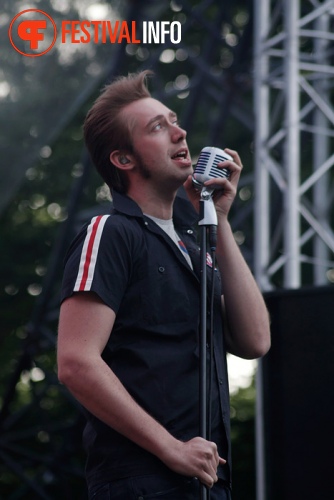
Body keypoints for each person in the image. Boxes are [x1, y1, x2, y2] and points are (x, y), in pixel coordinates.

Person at [57, 70, 271, 500]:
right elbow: (76, 362)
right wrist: (170, 448)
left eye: (174, 120)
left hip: (206, 479)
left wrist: (220, 220)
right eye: (158, 127)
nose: (180, 132)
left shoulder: (194, 247)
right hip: (143, 481)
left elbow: (255, 340)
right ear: (124, 159)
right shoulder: (111, 231)